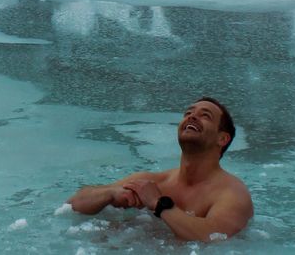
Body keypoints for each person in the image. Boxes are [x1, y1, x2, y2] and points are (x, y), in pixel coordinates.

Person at [67, 97, 253, 241]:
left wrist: (159, 204)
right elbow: (73, 205)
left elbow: (213, 236)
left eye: (205, 115)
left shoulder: (232, 194)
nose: (192, 116)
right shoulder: (152, 182)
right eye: (188, 113)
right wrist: (110, 193)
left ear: (222, 139)